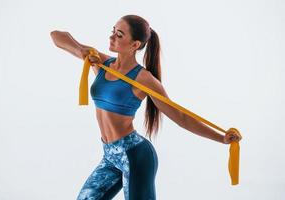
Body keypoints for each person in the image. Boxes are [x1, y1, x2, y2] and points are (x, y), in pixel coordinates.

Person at [50, 14, 242, 200]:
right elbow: (57, 35)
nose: (111, 37)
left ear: (135, 45)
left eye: (119, 35)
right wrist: (79, 50)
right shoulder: (100, 62)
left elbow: (180, 116)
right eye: (113, 31)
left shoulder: (143, 79)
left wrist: (221, 138)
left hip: (135, 156)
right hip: (110, 156)